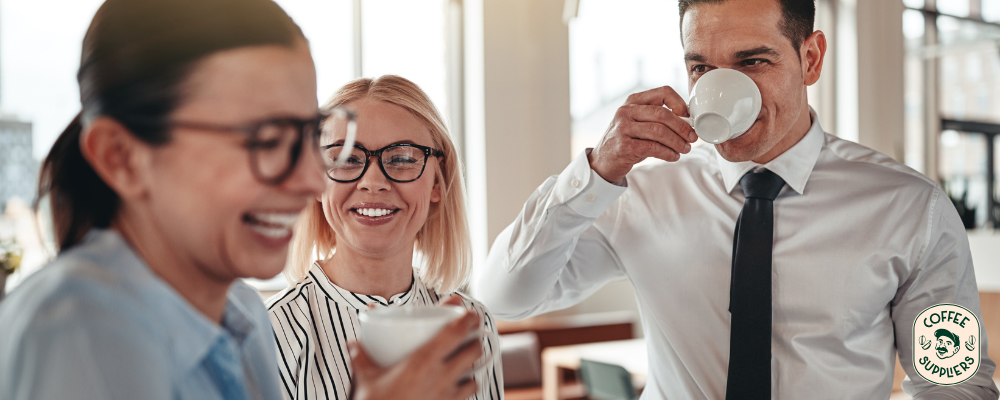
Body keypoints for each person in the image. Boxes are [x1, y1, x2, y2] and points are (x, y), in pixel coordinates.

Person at [474, 0, 998, 399]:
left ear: (810, 58)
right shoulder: (638, 192)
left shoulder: (909, 207)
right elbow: (504, 295)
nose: (723, 87)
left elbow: (955, 381)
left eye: (752, 61)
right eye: (702, 68)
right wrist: (591, 173)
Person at [0, 2, 483, 400]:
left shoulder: (242, 313)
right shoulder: (76, 332)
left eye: (305, 135)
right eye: (264, 140)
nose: (312, 183)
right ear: (122, 158)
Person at [267, 75, 504, 400]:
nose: (373, 182)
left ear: (438, 182)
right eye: (347, 158)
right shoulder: (270, 332)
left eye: (403, 158)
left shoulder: (473, 324)